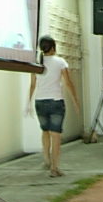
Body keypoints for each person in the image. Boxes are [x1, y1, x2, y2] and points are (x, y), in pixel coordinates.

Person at [28, 36, 80, 177]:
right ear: (53, 47)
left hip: (39, 102)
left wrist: (28, 102)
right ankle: (54, 167)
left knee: (45, 131)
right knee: (55, 135)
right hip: (56, 101)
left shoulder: (36, 62)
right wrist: (75, 101)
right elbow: (68, 83)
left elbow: (32, 84)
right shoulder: (60, 62)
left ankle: (46, 158)